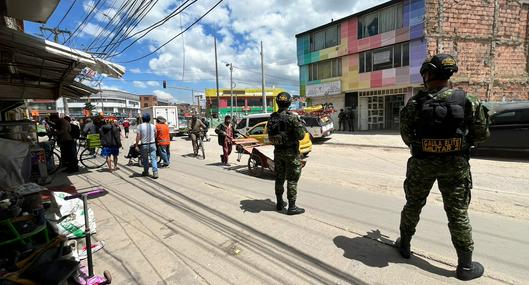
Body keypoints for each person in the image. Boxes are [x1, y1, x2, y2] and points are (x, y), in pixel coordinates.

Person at [397, 54, 490, 281]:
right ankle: (465, 266)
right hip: (455, 166)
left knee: (413, 204)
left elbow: (407, 136)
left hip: (422, 165)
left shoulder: (415, 104)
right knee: (458, 213)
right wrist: (460, 143)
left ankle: (405, 245)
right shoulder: (468, 100)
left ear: (427, 74)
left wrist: (428, 146)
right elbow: (482, 134)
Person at [268, 92, 306, 215]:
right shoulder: (292, 117)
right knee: (292, 179)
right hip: (291, 153)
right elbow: (300, 136)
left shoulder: (272, 117)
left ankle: (279, 203)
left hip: (278, 152)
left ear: (277, 102)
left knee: (279, 178)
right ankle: (292, 207)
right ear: (289, 103)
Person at [135, 113, 158, 178]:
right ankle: (155, 172)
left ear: (143, 119)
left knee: (145, 159)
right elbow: (156, 135)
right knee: (153, 159)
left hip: (144, 145)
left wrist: (136, 145)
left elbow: (138, 137)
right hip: (152, 144)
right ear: (149, 119)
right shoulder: (153, 126)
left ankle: (146, 172)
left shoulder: (139, 126)